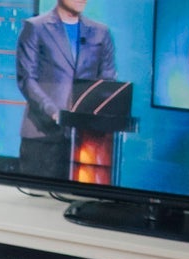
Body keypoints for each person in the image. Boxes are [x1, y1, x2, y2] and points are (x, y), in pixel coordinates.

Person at [15, 0, 117, 181]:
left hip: (85, 139)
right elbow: (27, 80)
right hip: (42, 135)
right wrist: (54, 112)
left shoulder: (100, 33)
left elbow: (107, 80)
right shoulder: (36, 28)